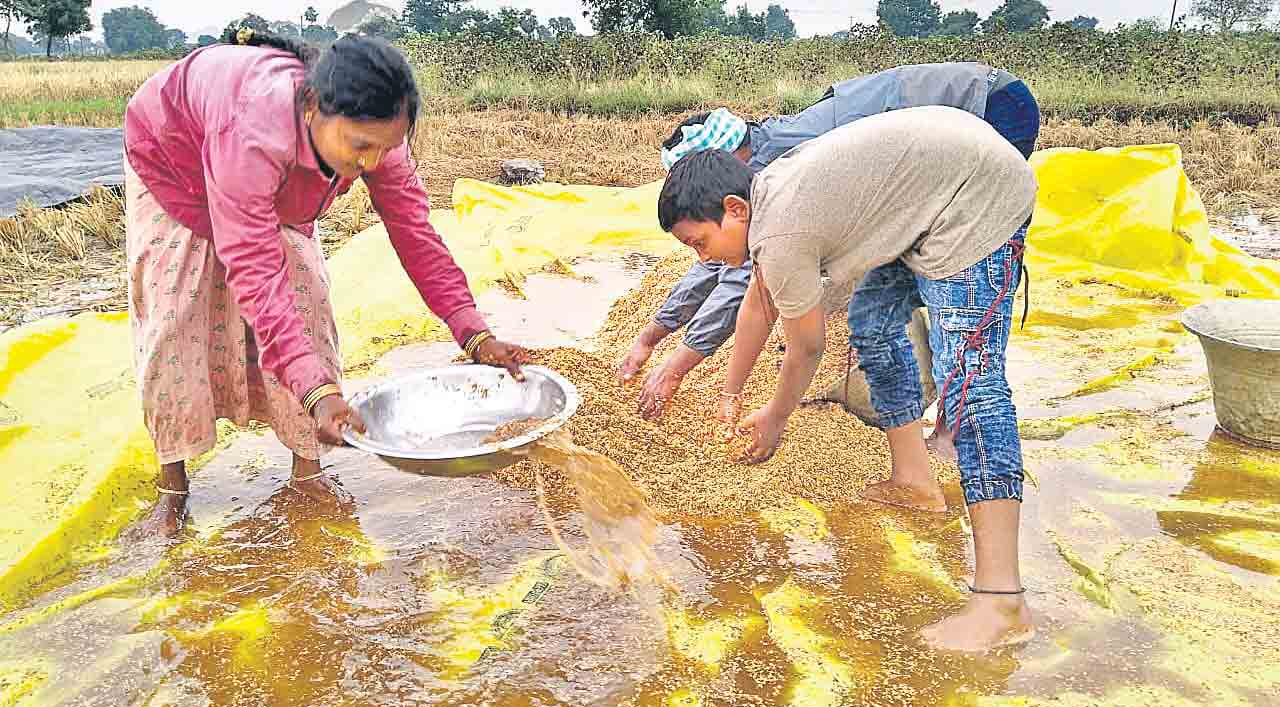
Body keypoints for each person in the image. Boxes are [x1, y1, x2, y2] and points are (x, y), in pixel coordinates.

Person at [656, 105, 1038, 652]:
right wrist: (731, 391)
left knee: (972, 382)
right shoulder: (768, 205)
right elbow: (758, 305)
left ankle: (1002, 600)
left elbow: (807, 346)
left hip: (976, 198)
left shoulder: (780, 231)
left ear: (734, 210)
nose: (704, 257)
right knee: (873, 325)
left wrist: (776, 416)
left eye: (699, 243)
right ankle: (915, 480)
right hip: (931, 192)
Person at [122, 29, 529, 539]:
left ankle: (308, 471)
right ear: (312, 108)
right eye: (360, 147)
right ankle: (173, 486)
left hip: (278, 179)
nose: (372, 164)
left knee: (308, 300)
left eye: (385, 148)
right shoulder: (253, 124)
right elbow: (254, 267)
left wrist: (473, 332)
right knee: (177, 315)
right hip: (174, 162)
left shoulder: (377, 142)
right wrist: (314, 388)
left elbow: (417, 235)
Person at [621, 62, 1040, 446]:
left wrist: (767, 410)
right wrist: (655, 337)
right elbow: (748, 285)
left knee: (959, 314)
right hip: (934, 151)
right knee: (874, 312)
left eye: (698, 242)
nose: (700, 256)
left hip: (987, 115)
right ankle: (912, 456)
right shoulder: (755, 192)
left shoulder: (776, 188)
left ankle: (953, 437)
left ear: (724, 183)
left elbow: (766, 301)